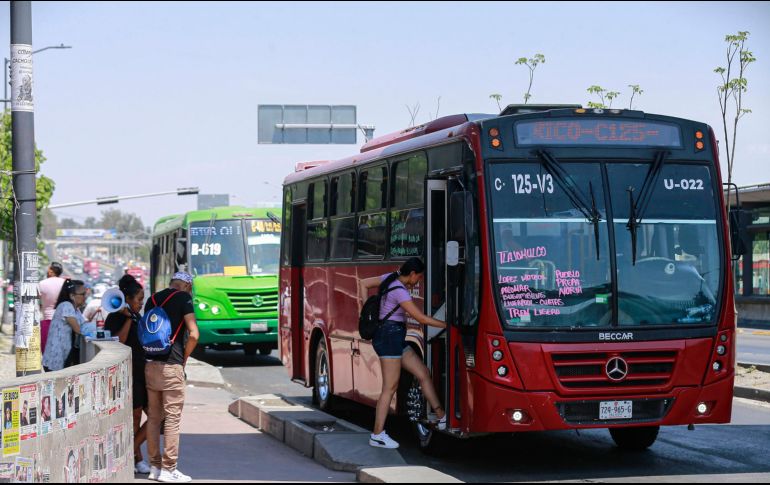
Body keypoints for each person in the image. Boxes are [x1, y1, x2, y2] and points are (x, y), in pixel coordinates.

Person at [357, 257, 447, 450]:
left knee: (423, 373)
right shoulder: (399, 291)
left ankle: (441, 417)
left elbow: (363, 283)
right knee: (390, 387)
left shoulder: (390, 277)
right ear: (412, 274)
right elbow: (421, 318)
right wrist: (448, 325)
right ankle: (377, 435)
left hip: (394, 337)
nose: (419, 281)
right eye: (419, 277)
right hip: (389, 337)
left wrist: (367, 311)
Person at [144, 272, 199, 483]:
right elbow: (194, 334)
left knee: (154, 418)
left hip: (150, 364)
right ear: (187, 286)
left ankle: (154, 467)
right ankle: (169, 469)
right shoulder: (184, 298)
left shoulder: (152, 299)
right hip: (171, 365)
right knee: (172, 419)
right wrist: (184, 358)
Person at [104, 274, 150, 474]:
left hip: (141, 371)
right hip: (128, 374)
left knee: (156, 415)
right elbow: (119, 341)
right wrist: (129, 318)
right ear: (128, 299)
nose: (141, 303)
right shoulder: (115, 317)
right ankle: (136, 459)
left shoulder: (137, 316)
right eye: (139, 299)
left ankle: (129, 453)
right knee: (135, 417)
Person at [42, 279, 87, 372]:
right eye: (82, 294)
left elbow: (84, 325)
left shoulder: (76, 310)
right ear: (72, 295)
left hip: (63, 357)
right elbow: (78, 329)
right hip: (55, 359)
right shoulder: (66, 306)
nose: (85, 297)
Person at [38, 262, 66, 354]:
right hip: (63, 322)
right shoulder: (65, 284)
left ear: (51, 271)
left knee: (46, 351)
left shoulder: (42, 284)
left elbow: (33, 301)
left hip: (47, 321)